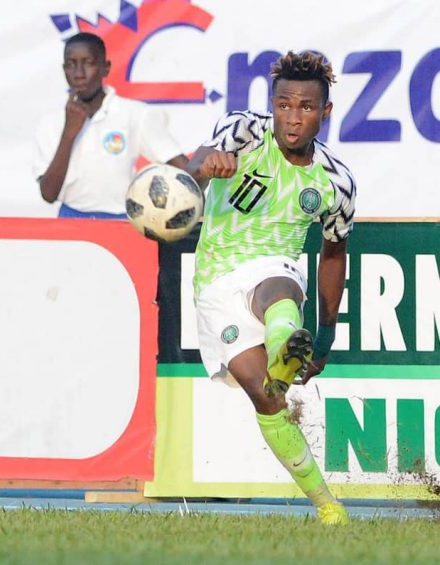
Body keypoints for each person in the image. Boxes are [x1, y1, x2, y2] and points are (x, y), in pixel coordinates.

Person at [184, 51, 355, 525]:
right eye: (283, 105)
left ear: (325, 112)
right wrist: (208, 163)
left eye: (305, 107)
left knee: (277, 289)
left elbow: (333, 254)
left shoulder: (336, 182)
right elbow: (195, 164)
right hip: (215, 279)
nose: (292, 117)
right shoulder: (244, 131)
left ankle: (331, 512)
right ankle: (321, 496)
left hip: (275, 267)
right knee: (266, 395)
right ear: (272, 105)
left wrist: (325, 334)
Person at [34, 32, 188, 219]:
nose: (79, 74)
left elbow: (181, 167)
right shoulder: (51, 123)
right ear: (64, 68)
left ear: (105, 68)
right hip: (71, 220)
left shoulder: (134, 113)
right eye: (71, 65)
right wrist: (69, 133)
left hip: (122, 220)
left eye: (88, 63)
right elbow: (48, 194)